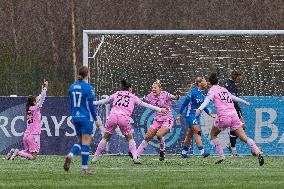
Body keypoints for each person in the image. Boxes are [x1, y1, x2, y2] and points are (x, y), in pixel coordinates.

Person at [196, 73, 264, 166]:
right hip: (234, 116)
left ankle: (222, 156)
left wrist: (199, 109)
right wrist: (244, 102)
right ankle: (257, 151)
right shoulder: (224, 89)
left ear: (210, 83)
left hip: (224, 117)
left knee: (213, 134)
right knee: (244, 137)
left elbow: (206, 101)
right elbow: (233, 98)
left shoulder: (212, 90)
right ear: (218, 82)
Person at [91, 80, 167, 164]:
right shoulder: (133, 96)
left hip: (112, 116)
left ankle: (95, 158)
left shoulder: (117, 93)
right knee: (130, 138)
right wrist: (160, 109)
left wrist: (91, 102)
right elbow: (147, 105)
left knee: (105, 138)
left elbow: (103, 101)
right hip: (123, 118)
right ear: (130, 88)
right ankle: (135, 158)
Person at [64, 66, 101, 175]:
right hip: (85, 118)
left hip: (75, 117)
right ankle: (84, 169)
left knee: (80, 141)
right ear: (87, 74)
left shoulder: (72, 87)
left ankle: (70, 155)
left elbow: (71, 103)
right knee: (86, 142)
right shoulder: (88, 88)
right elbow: (91, 106)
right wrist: (96, 119)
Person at [136, 80, 181, 161]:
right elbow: (140, 100)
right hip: (157, 119)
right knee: (147, 137)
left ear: (160, 89)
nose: (153, 89)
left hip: (167, 119)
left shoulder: (165, 94)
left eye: (155, 88)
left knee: (159, 134)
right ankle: (136, 155)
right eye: (152, 88)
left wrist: (177, 95)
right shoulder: (150, 96)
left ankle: (162, 151)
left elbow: (175, 98)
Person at [6, 79, 48, 160]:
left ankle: (13, 151)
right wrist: (45, 87)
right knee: (33, 157)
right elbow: (42, 98)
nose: (38, 99)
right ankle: (17, 152)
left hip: (26, 134)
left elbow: (40, 97)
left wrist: (42, 87)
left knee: (27, 155)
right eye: (36, 99)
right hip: (34, 134)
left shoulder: (29, 109)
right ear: (34, 102)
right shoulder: (36, 108)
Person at [176, 77, 216, 158]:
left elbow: (202, 106)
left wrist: (210, 114)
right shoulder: (193, 92)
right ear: (199, 83)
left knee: (189, 135)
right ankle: (202, 152)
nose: (206, 83)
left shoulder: (201, 93)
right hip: (190, 115)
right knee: (197, 131)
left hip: (196, 116)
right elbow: (184, 104)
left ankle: (184, 153)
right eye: (204, 81)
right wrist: (179, 115)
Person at [224, 70, 244, 156]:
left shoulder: (231, 84)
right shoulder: (229, 85)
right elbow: (231, 99)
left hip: (234, 109)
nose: (239, 80)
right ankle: (233, 150)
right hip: (232, 110)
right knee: (237, 128)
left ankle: (231, 146)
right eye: (238, 78)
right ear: (235, 77)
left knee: (241, 127)